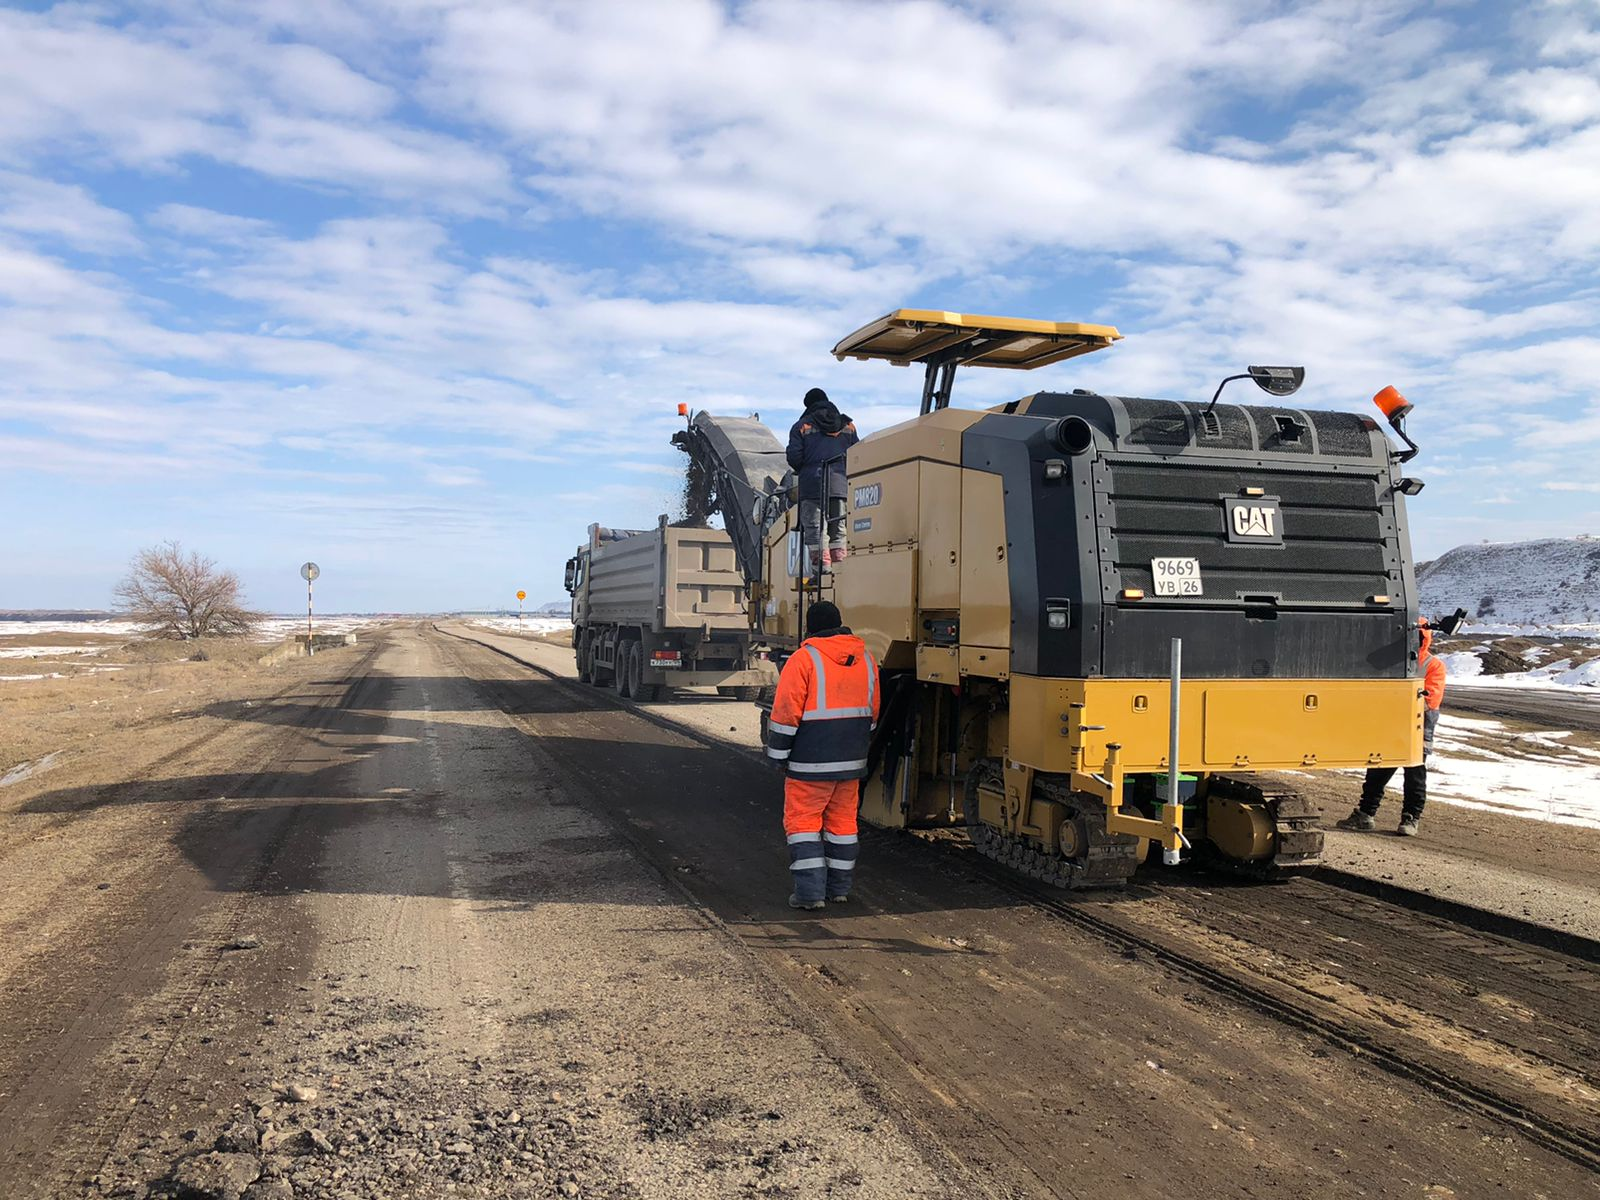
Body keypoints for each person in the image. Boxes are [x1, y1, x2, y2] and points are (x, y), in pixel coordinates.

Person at [764, 600, 880, 910]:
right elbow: (873, 714)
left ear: (810, 628)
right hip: (851, 763)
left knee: (803, 826)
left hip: (809, 764)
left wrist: (777, 756)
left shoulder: (803, 659)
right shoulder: (866, 659)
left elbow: (786, 713)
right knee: (842, 826)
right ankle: (838, 890)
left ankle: (809, 895)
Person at [1337, 617, 1446, 837]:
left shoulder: (1432, 665)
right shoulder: (1392, 662)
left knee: (1414, 774)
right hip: (1390, 724)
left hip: (1417, 726)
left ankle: (1409, 818)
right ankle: (1366, 814)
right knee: (1378, 770)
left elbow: (1430, 700)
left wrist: (1393, 701)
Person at [786, 388, 858, 574]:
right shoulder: (848, 425)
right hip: (841, 486)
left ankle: (822, 572)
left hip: (813, 486)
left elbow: (794, 458)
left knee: (816, 529)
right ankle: (840, 572)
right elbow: (857, 454)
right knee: (839, 529)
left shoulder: (801, 426)